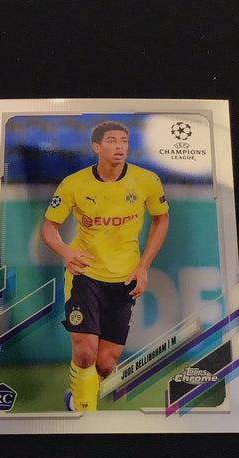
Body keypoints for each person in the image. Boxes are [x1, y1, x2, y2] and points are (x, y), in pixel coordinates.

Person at [41, 120, 169, 411]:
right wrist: (65, 252)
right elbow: (49, 227)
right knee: (85, 352)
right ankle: (82, 418)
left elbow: (161, 219)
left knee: (106, 363)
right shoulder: (74, 184)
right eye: (111, 141)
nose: (119, 146)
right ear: (96, 146)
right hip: (84, 275)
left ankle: (77, 398)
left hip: (124, 278)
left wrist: (143, 266)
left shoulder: (146, 180)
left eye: (123, 141)